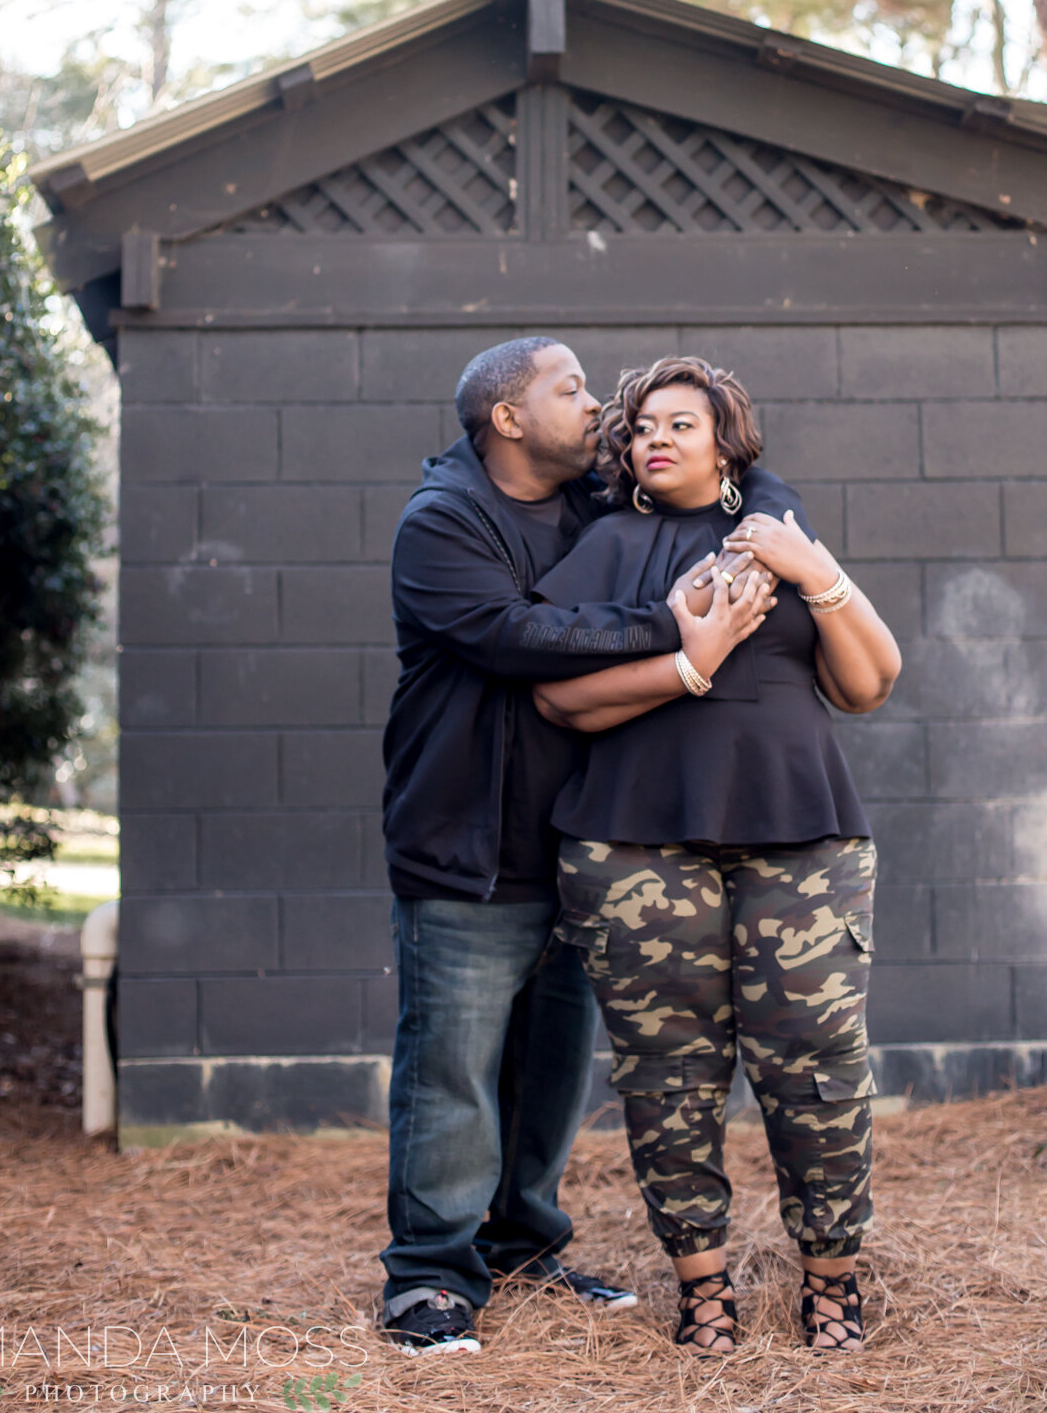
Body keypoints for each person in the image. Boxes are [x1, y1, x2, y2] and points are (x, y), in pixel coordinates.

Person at [378, 336, 772, 1356]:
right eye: (572, 388)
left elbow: (728, 484)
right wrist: (669, 630)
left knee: (551, 1064)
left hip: (582, 839)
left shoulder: (598, 504)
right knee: (452, 1069)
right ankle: (429, 1276)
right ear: (509, 418)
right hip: (465, 842)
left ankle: (523, 1241)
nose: (600, 405)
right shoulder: (442, 523)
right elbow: (516, 636)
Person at [531, 355, 902, 1357]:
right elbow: (558, 697)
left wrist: (812, 569)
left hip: (802, 841)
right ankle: (703, 1284)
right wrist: (688, 666)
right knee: (668, 1073)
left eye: (681, 422)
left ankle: (831, 1278)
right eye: (642, 425)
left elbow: (870, 682)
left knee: (818, 1067)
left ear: (726, 437)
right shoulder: (607, 546)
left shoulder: (779, 532)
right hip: (636, 848)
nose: (655, 437)